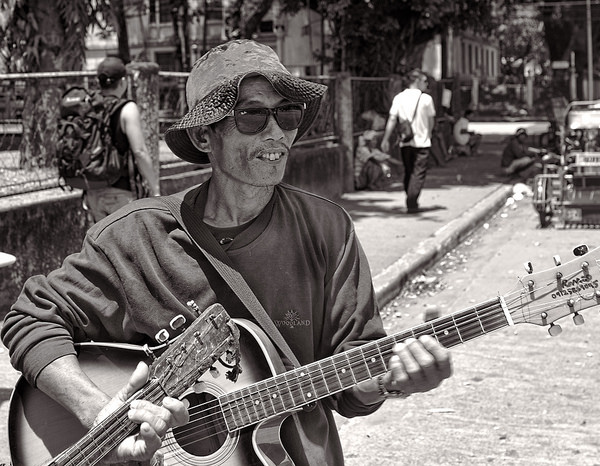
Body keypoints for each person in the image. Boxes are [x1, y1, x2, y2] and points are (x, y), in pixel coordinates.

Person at [1, 40, 451, 466]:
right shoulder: (135, 237)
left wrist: (391, 381)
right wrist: (98, 413)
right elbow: (30, 317)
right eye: (252, 115)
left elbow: (352, 388)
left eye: (287, 113)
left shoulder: (327, 229)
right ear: (203, 138)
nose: (276, 132)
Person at [83, 56, 161, 224]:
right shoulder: (127, 109)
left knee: (102, 248)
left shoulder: (89, 107)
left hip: (91, 192)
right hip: (120, 193)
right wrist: (155, 188)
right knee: (127, 247)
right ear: (123, 81)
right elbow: (139, 151)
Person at [380, 69, 436, 213]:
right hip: (422, 142)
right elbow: (431, 121)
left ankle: (411, 199)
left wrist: (386, 138)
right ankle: (411, 200)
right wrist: (428, 134)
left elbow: (392, 119)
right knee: (418, 173)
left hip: (405, 141)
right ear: (416, 81)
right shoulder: (426, 99)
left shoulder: (399, 98)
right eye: (424, 81)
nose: (426, 84)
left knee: (408, 171)